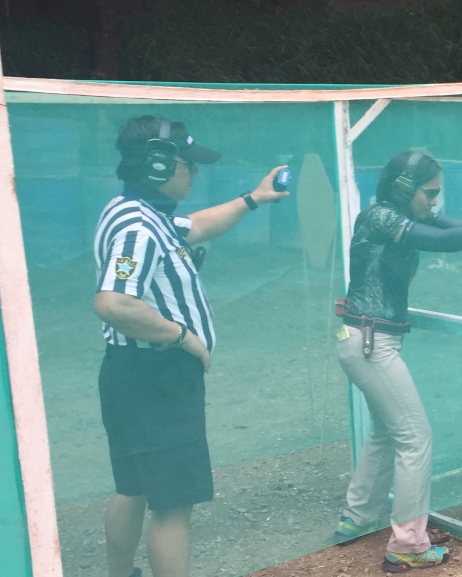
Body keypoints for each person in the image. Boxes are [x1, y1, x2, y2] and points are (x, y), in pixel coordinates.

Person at [93, 115, 288, 577]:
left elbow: (196, 225)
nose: (195, 172)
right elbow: (113, 302)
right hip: (157, 376)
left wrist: (253, 199)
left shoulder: (133, 210)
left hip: (128, 371)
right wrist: (182, 337)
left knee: (133, 487)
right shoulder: (140, 227)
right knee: (174, 505)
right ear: (159, 164)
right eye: (188, 164)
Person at [333, 151, 462, 572]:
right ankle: (407, 546)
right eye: (429, 193)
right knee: (415, 438)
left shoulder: (395, 215)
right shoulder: (380, 217)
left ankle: (356, 516)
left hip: (367, 340)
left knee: (387, 431)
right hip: (371, 343)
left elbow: (456, 227)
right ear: (404, 189)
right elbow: (443, 240)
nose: (434, 202)